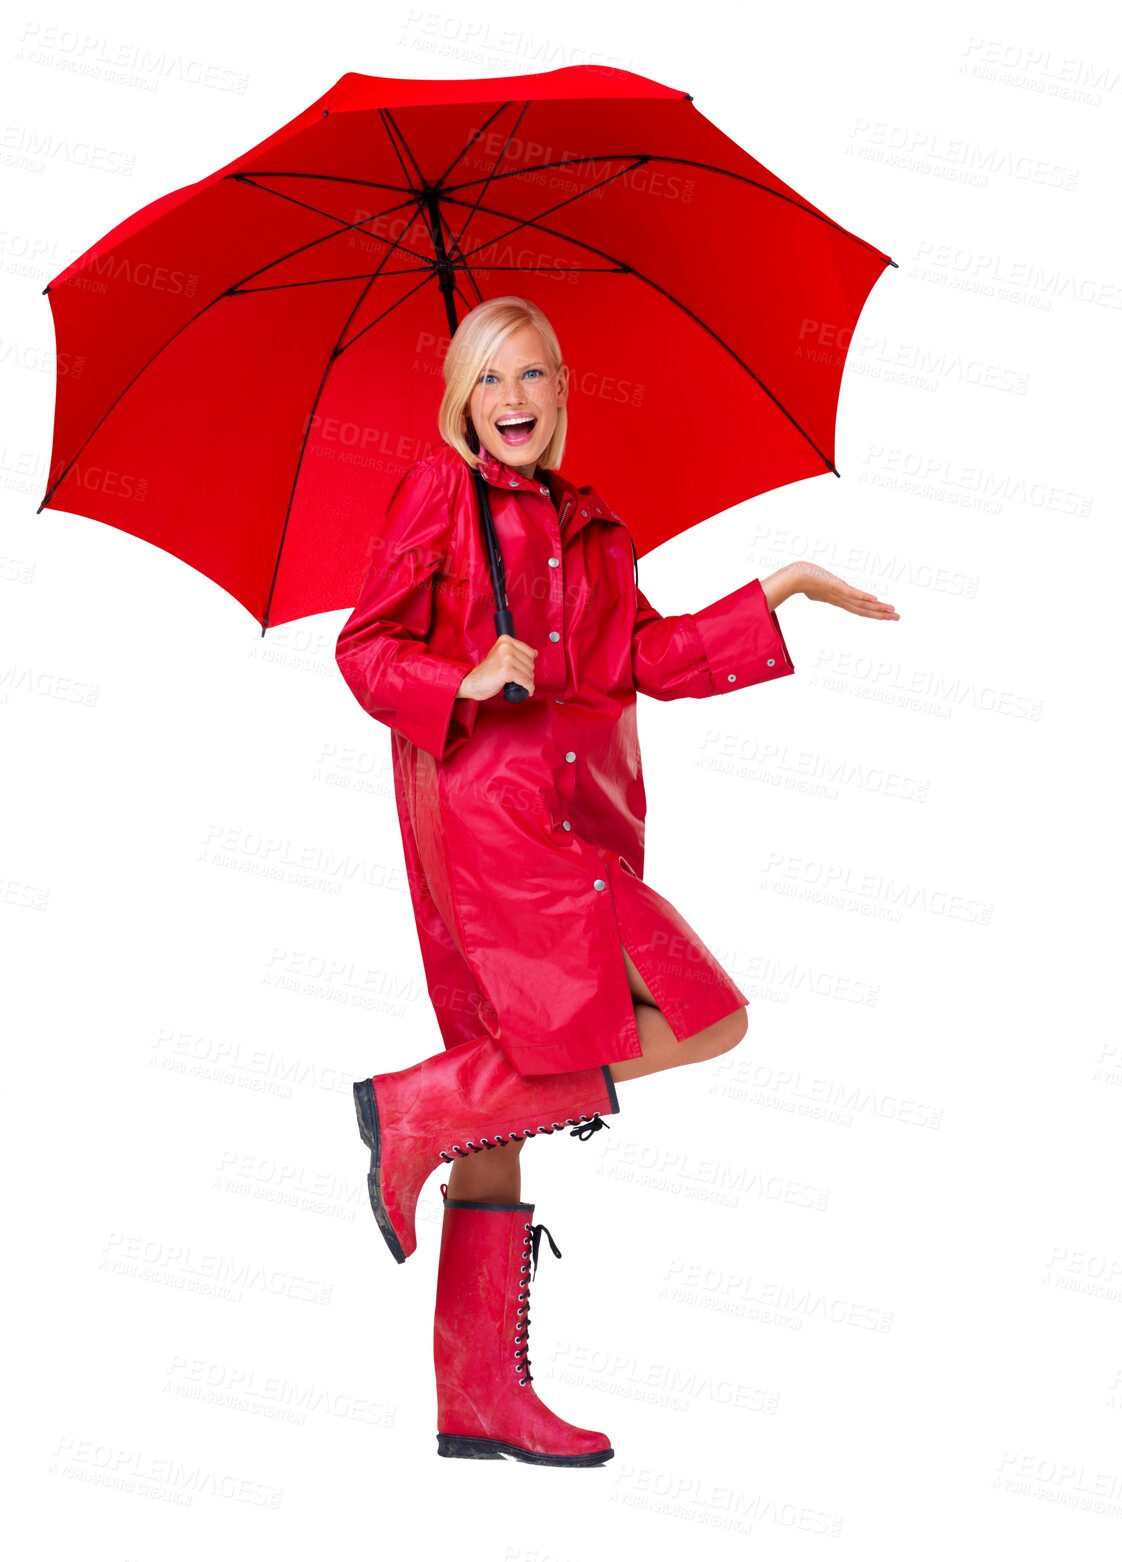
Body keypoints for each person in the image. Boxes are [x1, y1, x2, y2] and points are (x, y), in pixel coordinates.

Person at [335, 296, 899, 1467]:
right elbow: (364, 647)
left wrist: (775, 591)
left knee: (513, 1110)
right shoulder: (440, 494)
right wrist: (463, 670)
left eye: (533, 374)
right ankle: (419, 1110)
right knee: (711, 1014)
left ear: (560, 391)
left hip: (582, 818)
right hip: (488, 822)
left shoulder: (595, 526)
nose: (514, 399)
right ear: (461, 399)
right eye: (490, 379)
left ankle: (477, 1389)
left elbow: (643, 657)